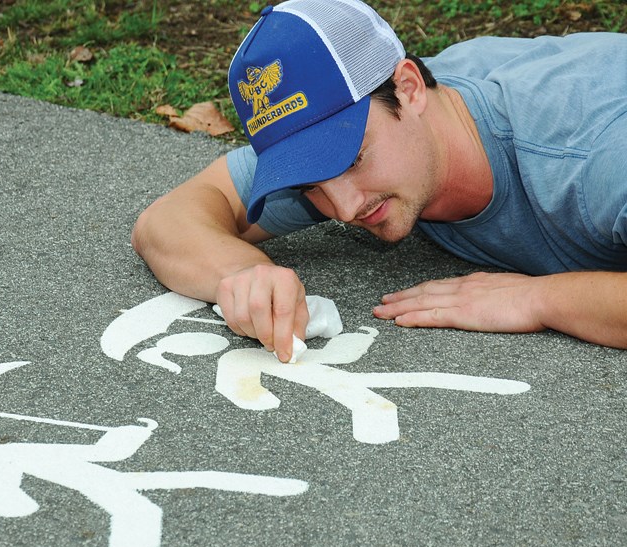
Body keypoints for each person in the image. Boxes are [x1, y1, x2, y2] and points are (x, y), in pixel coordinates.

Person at [132, 0, 627, 361]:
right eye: (309, 183)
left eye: (352, 158)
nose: (345, 209)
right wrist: (238, 273)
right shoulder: (394, 130)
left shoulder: (589, 158)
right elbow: (168, 219)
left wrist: (538, 298)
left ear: (409, 89)